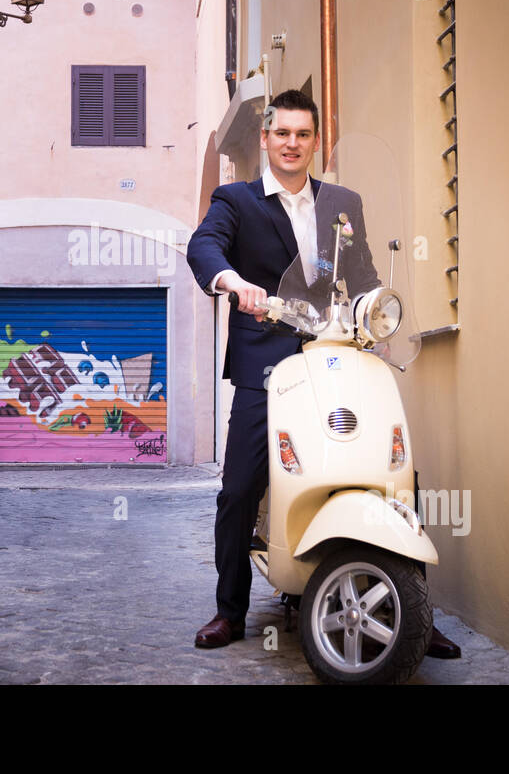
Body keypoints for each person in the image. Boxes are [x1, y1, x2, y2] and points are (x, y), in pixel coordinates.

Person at [185, 88, 458, 657]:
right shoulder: (235, 200)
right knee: (239, 487)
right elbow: (204, 246)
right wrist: (233, 284)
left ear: (315, 142)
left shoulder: (342, 201)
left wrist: (373, 313)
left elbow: (360, 274)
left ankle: (415, 610)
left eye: (302, 135)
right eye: (281, 133)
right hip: (268, 359)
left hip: (339, 351)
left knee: (399, 471)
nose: (291, 144)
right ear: (265, 139)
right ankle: (229, 610)